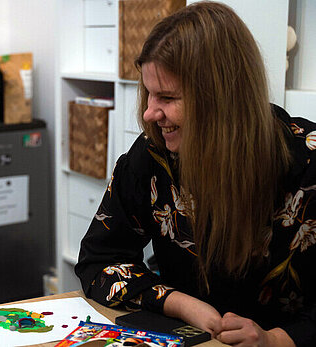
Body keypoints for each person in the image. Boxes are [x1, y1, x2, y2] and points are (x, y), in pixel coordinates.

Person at [75, 2, 315, 347]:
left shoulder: (308, 165)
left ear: (224, 98)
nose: (149, 112)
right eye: (148, 93)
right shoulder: (154, 155)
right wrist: (183, 305)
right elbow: (98, 261)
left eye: (167, 97)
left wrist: (275, 340)